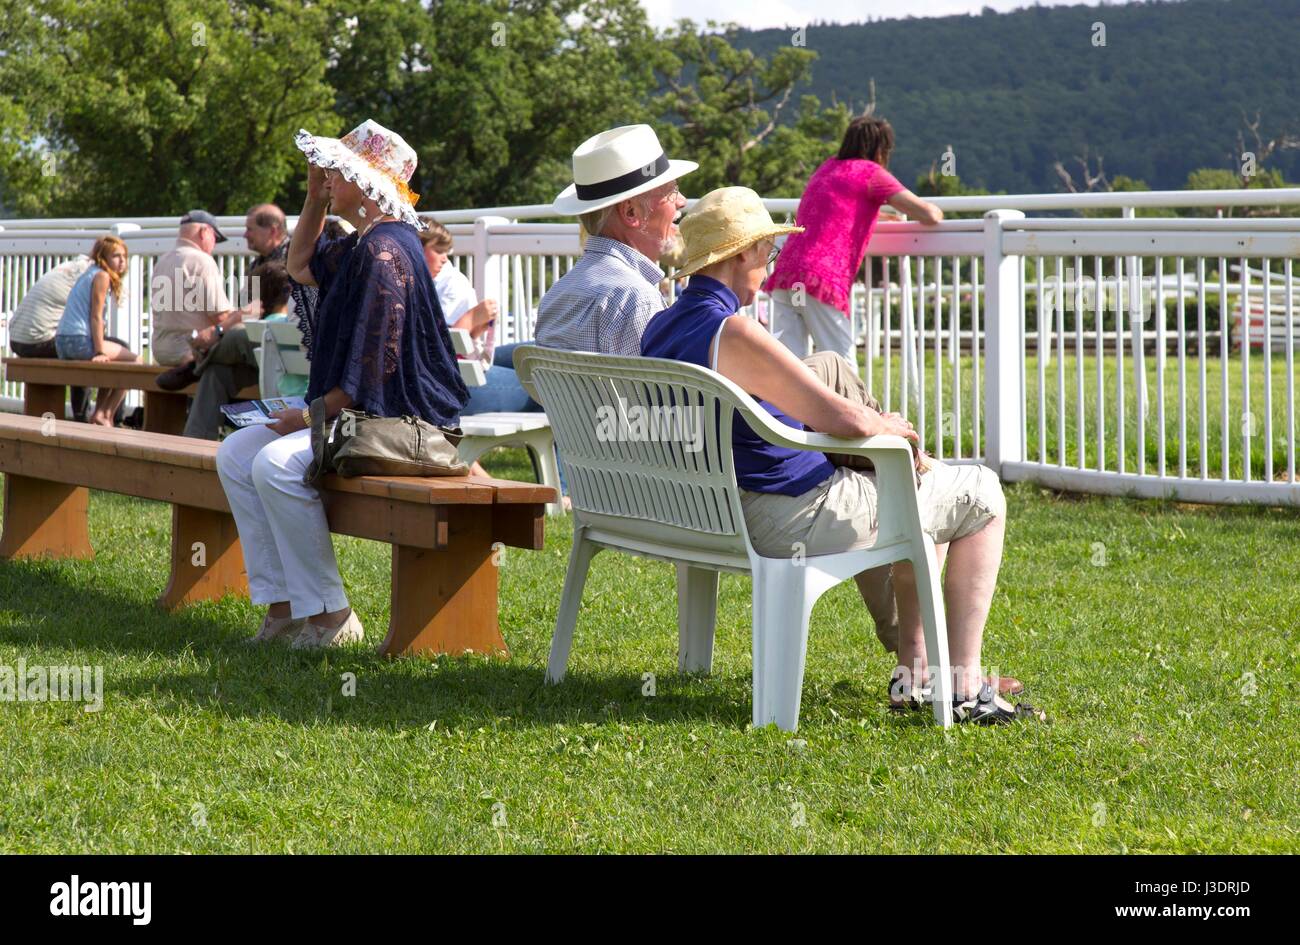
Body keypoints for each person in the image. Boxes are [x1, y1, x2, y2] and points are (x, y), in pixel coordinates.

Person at [641, 187, 1039, 724]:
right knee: (982, 494)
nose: (769, 264)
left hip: (713, 511)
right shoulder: (732, 331)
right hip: (786, 516)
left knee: (922, 491)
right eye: (766, 251)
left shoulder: (661, 326)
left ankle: (915, 673)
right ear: (740, 254)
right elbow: (844, 420)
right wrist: (888, 426)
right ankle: (963, 686)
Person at [215, 119, 469, 649]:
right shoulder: (362, 244)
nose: (327, 175)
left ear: (369, 182)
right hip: (362, 413)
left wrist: (306, 418)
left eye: (338, 170)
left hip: (402, 421)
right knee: (236, 453)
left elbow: (368, 376)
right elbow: (299, 263)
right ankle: (284, 607)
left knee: (275, 465)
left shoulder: (384, 255)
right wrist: (314, 199)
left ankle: (332, 618)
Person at [765, 115, 944, 363]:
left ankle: (779, 404)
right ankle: (851, 404)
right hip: (820, 276)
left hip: (787, 272)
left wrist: (877, 216)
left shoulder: (827, 167)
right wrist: (937, 209)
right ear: (881, 148)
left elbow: (837, 209)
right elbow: (928, 215)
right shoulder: (872, 173)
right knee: (842, 364)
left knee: (788, 366)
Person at [532, 124, 694, 355]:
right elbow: (649, 391)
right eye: (671, 192)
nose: (682, 201)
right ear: (631, 213)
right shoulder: (637, 300)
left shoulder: (557, 295)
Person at [159, 205, 297, 438]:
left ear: (272, 231)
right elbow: (248, 309)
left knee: (232, 336)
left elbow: (272, 312)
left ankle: (195, 367)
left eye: (250, 229)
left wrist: (222, 329)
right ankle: (193, 448)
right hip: (260, 354)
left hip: (286, 350)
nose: (244, 235)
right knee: (216, 373)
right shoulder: (257, 264)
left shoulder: (293, 258)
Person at [7, 253, 118, 422]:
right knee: (85, 350)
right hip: (39, 339)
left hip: (18, 339)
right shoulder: (90, 276)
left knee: (79, 345)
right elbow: (93, 322)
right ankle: (90, 416)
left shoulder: (66, 269)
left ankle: (85, 415)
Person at [148, 209, 260, 375]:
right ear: (204, 232)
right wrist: (247, 313)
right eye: (215, 237)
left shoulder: (162, 261)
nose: (214, 244)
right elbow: (219, 316)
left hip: (161, 350)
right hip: (189, 351)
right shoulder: (201, 261)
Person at [52, 235, 140, 426]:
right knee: (136, 361)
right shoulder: (102, 275)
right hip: (79, 341)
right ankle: (105, 413)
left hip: (63, 342)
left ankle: (100, 413)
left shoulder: (89, 273)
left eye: (124, 256)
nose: (122, 260)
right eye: (116, 256)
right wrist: (99, 351)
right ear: (103, 257)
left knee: (117, 358)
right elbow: (96, 316)